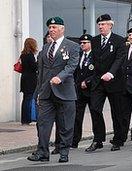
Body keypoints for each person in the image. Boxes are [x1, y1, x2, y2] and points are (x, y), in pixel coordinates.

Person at [27, 17, 79, 163]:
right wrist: (38, 92)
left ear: (62, 29)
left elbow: (71, 66)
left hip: (65, 92)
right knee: (43, 124)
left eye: (54, 27)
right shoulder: (45, 48)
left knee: (65, 125)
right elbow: (41, 73)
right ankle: (43, 152)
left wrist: (60, 77)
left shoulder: (72, 46)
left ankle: (64, 152)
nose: (51, 30)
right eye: (50, 27)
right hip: (46, 93)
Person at [88, 14, 126, 152]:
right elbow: (94, 59)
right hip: (98, 81)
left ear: (110, 25)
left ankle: (118, 139)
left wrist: (111, 73)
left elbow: (120, 59)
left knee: (117, 112)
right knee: (95, 108)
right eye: (99, 24)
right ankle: (98, 139)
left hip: (114, 80)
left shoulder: (119, 40)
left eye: (103, 24)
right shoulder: (95, 40)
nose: (100, 27)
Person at [71, 34, 95, 148]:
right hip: (79, 90)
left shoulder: (95, 56)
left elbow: (97, 72)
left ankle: (97, 139)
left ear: (90, 44)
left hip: (91, 90)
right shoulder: (79, 55)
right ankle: (74, 140)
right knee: (77, 116)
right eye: (81, 43)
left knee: (95, 114)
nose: (82, 45)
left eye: (84, 43)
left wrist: (88, 81)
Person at [20, 38, 38, 125]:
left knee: (25, 99)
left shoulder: (23, 55)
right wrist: (38, 63)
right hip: (30, 79)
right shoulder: (30, 55)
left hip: (24, 78)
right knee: (29, 99)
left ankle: (24, 119)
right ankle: (27, 119)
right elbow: (34, 67)